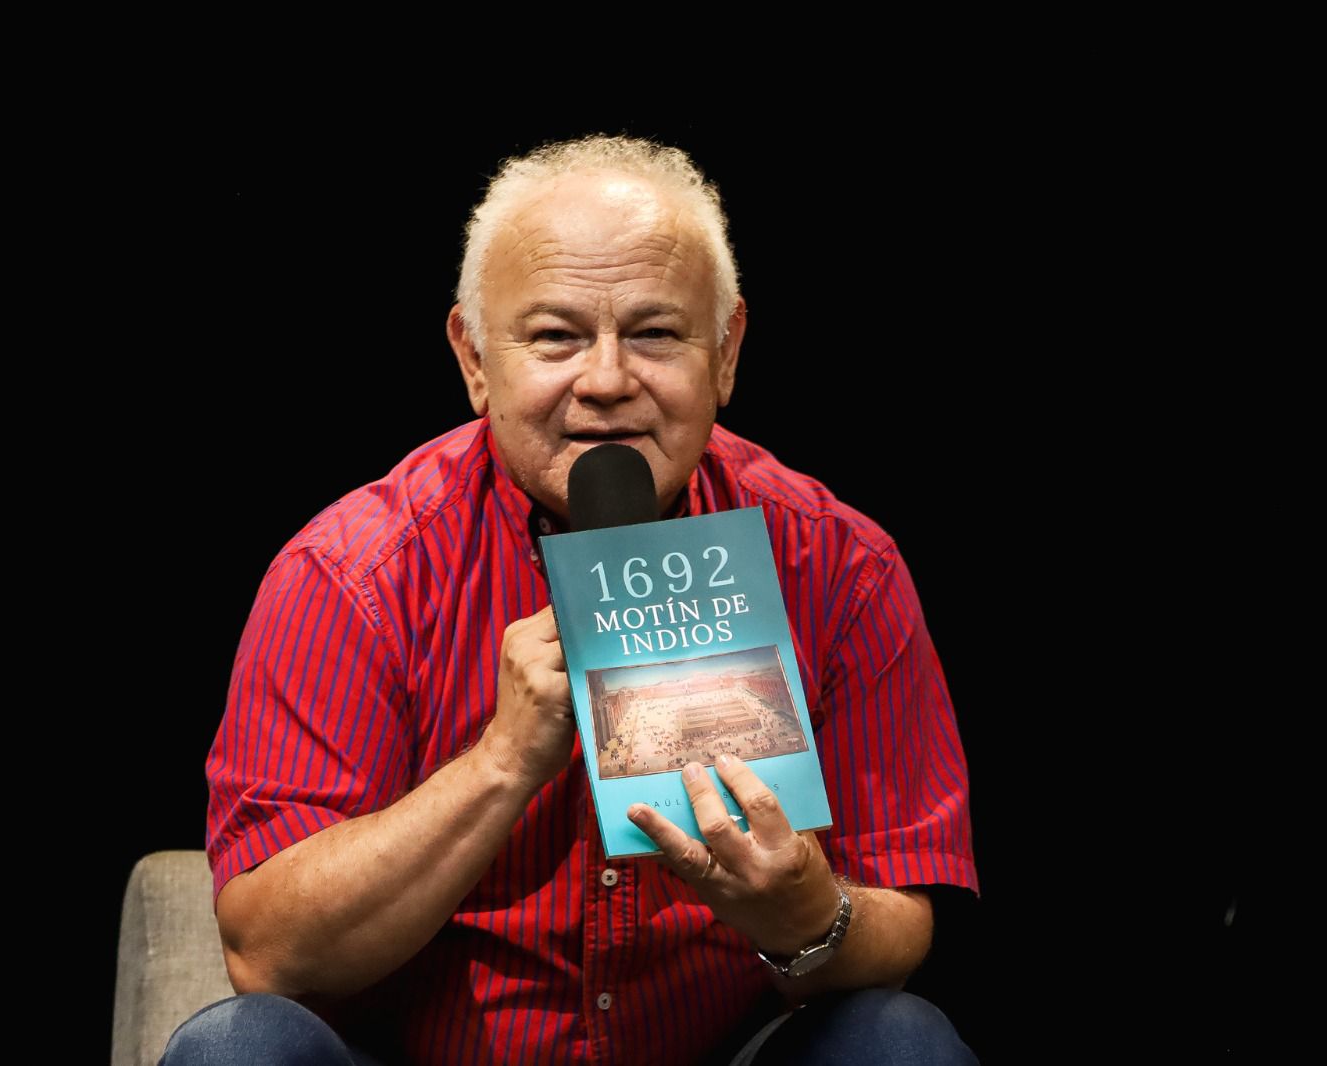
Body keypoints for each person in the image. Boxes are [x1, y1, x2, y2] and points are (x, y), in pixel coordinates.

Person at [161, 135, 979, 1065]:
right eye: (555, 337)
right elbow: (268, 954)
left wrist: (805, 915)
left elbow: (904, 915)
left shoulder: (839, 564)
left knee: (899, 1040)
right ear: (475, 359)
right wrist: (503, 760)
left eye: (656, 334)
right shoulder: (351, 573)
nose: (607, 381)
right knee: (239, 1047)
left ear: (726, 353)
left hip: (720, 1051)